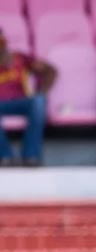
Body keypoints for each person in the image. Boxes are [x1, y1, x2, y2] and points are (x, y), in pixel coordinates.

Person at [0, 26, 56, 166]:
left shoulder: (19, 58)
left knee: (39, 101)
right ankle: (5, 157)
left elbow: (51, 70)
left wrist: (42, 91)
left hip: (21, 101)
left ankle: (31, 156)